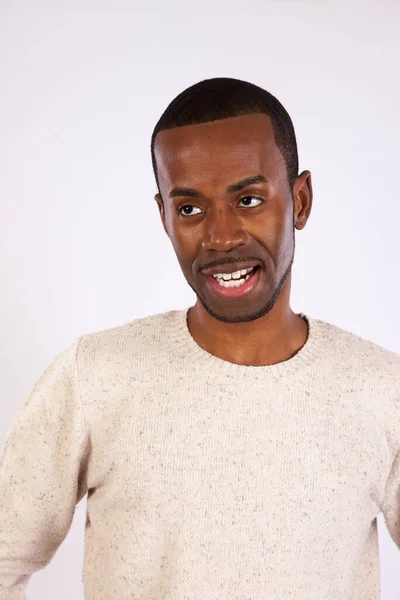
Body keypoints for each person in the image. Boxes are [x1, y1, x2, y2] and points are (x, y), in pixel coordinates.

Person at [0, 77, 399, 600]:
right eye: (190, 208)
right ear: (164, 217)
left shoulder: (381, 390)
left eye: (250, 199)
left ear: (299, 201)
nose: (221, 237)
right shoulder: (94, 376)